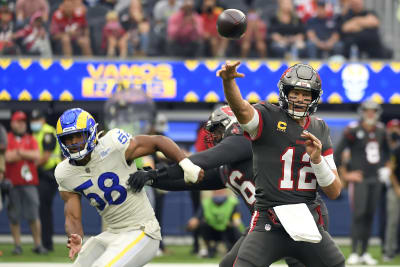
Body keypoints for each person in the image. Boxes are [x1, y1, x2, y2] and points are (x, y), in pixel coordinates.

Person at [128, 104, 331, 267]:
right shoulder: (227, 167)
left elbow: (198, 162)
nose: (214, 137)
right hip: (268, 223)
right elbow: (190, 179)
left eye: (217, 130)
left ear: (232, 124)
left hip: (297, 216)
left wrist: (155, 172)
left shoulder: (245, 142)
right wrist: (153, 179)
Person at [216, 61, 344, 267]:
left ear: (314, 98)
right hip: (269, 219)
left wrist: (318, 160)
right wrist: (229, 82)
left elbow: (335, 190)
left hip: (307, 220)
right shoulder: (268, 116)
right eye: (295, 93)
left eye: (306, 94)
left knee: (335, 264)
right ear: (285, 93)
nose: (300, 99)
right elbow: (241, 109)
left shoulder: (320, 128)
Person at [54, 108, 204, 266]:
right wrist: (75, 235)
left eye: (79, 135)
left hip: (142, 230)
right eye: (68, 138)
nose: (74, 143)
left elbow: (158, 141)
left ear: (91, 132)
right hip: (113, 232)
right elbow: (72, 217)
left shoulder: (113, 144)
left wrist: (185, 164)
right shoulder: (65, 172)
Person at [334, 100, 390, 265]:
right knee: (358, 215)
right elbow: (337, 154)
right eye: (368, 111)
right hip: (360, 179)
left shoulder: (381, 130)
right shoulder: (353, 130)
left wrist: (387, 168)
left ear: (377, 112)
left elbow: (387, 153)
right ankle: (354, 252)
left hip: (376, 178)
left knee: (369, 215)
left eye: (373, 111)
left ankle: (364, 252)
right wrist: (346, 175)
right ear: (363, 112)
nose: (370, 114)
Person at [5, 111, 47, 255]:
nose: (22, 124)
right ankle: (17, 245)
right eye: (19, 121)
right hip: (12, 183)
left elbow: (37, 155)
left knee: (34, 215)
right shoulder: (6, 138)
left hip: (30, 183)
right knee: (14, 216)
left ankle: (38, 244)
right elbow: (7, 157)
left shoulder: (31, 139)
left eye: (23, 121)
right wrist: (24, 154)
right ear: (12, 123)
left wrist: (19, 152)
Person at [30, 109, 62, 252]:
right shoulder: (37, 133)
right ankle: (44, 243)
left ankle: (46, 244)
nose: (35, 123)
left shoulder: (48, 132)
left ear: (43, 120)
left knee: (44, 209)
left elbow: (46, 156)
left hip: (48, 175)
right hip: (41, 175)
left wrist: (29, 166)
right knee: (43, 210)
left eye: (37, 119)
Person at [187, 189, 242, 258]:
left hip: (227, 231)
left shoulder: (232, 202)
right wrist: (193, 221)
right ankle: (209, 249)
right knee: (203, 225)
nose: (218, 193)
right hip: (213, 231)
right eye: (216, 192)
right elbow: (197, 217)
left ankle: (233, 249)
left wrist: (236, 219)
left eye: (221, 192)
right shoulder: (206, 202)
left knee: (234, 229)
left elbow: (237, 215)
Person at [383, 119, 400, 262]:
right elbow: (391, 170)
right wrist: (397, 187)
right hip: (394, 188)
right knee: (392, 221)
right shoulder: (393, 148)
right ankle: (388, 251)